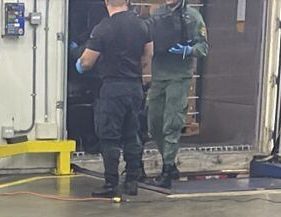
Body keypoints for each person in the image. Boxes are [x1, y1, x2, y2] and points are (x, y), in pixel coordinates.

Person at [76, 0, 152, 198]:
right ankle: (132, 182)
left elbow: (87, 62)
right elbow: (148, 56)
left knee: (109, 136)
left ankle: (111, 184)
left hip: (113, 88)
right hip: (135, 87)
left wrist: (79, 63)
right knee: (132, 134)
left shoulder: (103, 27)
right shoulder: (142, 25)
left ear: (106, 2)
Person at [143, 0, 207, 189]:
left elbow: (203, 47)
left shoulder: (192, 16)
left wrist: (189, 50)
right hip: (159, 75)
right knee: (154, 122)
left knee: (172, 123)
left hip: (179, 77)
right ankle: (169, 161)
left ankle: (167, 169)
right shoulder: (157, 14)